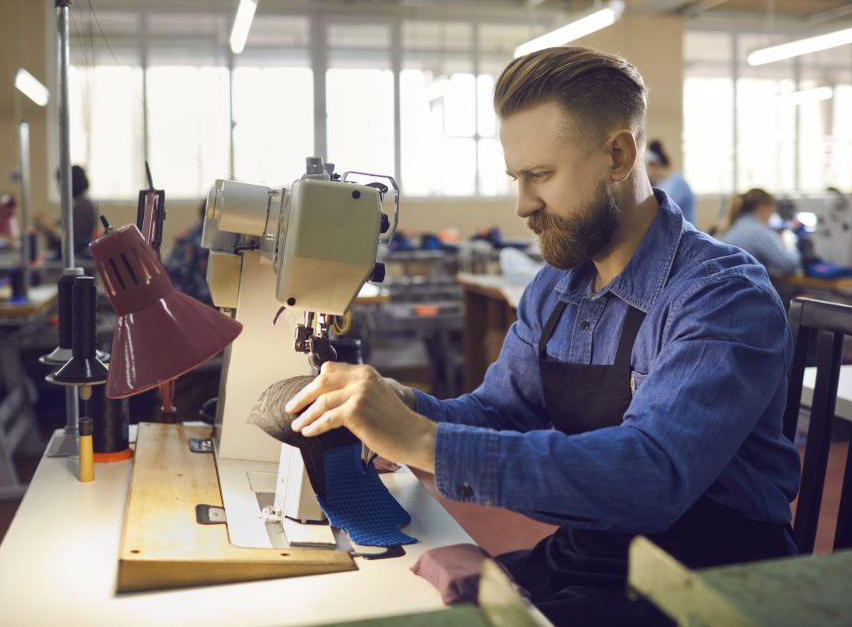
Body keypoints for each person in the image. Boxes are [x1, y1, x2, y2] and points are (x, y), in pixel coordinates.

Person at [284, 47, 800, 625]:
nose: (523, 203)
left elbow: (652, 475)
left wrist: (422, 441)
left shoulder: (723, 297)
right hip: (595, 559)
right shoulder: (556, 288)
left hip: (711, 583)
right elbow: (501, 410)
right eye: (517, 178)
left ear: (619, 155)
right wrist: (406, 406)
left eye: (541, 176)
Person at [721, 188, 800, 276]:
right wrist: (792, 244)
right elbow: (789, 265)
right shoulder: (759, 232)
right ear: (763, 207)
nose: (771, 216)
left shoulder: (737, 224)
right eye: (772, 210)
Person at [34, 165, 98, 259]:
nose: (59, 188)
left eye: (61, 183)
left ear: (71, 183)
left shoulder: (82, 207)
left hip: (78, 258)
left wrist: (50, 229)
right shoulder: (80, 204)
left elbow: (73, 240)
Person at [646, 139, 695, 223]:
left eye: (648, 167)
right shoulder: (662, 183)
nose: (648, 172)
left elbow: (663, 212)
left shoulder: (678, 183)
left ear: (655, 164)